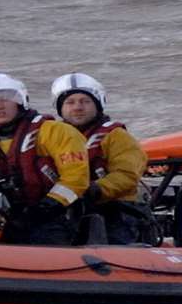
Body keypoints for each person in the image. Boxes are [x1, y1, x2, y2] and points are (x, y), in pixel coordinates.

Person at [0, 72, 89, 245]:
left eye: (5, 99)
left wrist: (47, 206)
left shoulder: (56, 131)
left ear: (20, 101)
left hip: (51, 216)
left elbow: (76, 177)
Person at [50, 71, 152, 245]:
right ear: (60, 108)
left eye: (85, 101)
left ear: (98, 104)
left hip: (115, 209)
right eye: (70, 102)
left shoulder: (116, 136)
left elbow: (127, 175)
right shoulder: (51, 137)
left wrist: (96, 189)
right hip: (66, 207)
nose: (77, 107)